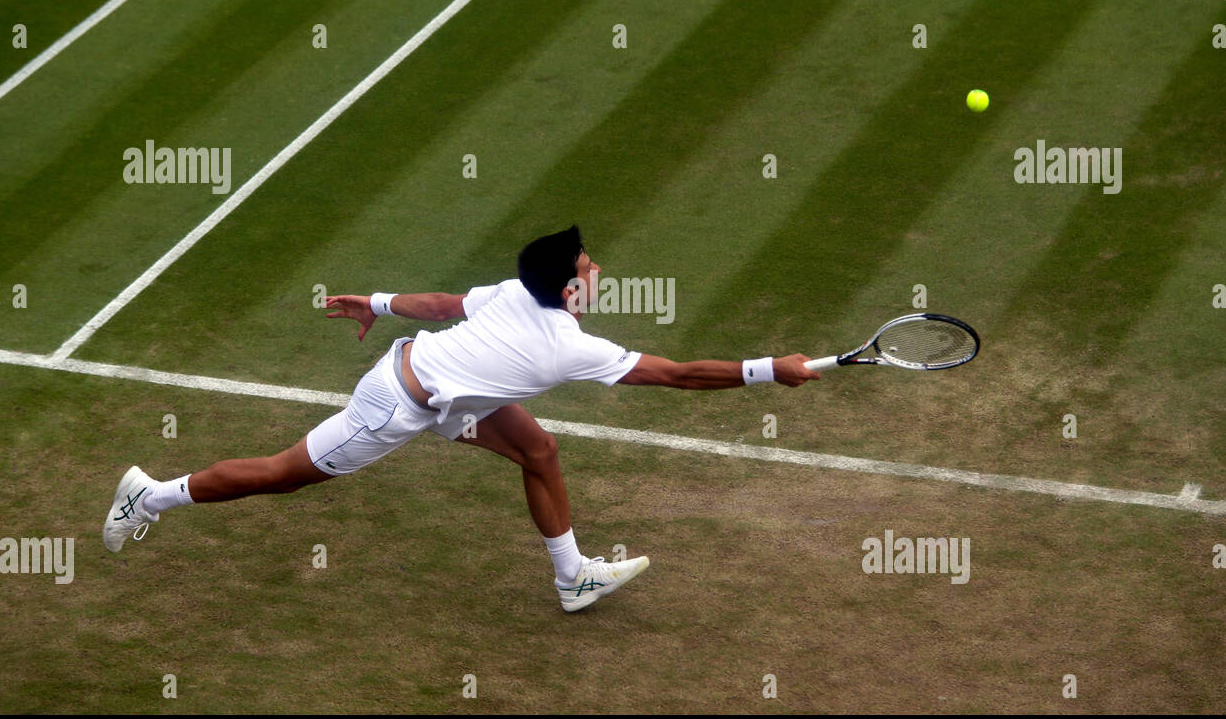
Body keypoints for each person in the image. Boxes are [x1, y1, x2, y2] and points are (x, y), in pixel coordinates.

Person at [103, 226, 820, 611]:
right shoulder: (568, 345)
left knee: (539, 451)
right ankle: (151, 494)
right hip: (392, 406)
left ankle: (572, 579)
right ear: (570, 288)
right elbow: (676, 375)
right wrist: (769, 370)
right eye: (590, 265)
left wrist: (378, 303)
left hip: (445, 388)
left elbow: (446, 307)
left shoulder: (517, 295)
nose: (598, 270)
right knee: (282, 476)